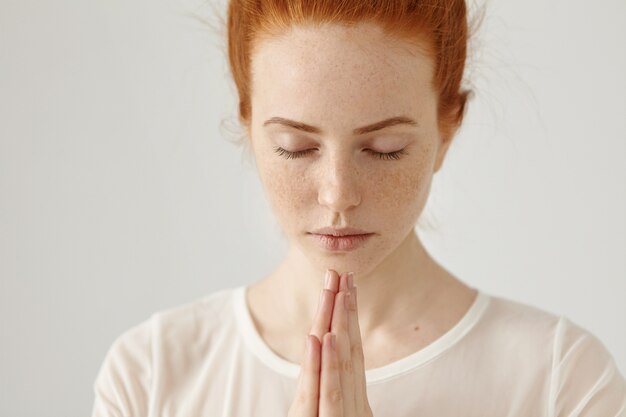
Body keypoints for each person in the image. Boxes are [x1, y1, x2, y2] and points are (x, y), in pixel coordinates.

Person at [91, 1, 626, 416]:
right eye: (295, 149)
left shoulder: (561, 381)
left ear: (448, 128)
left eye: (384, 148)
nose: (338, 194)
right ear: (248, 122)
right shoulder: (151, 376)